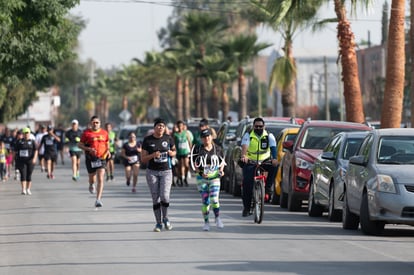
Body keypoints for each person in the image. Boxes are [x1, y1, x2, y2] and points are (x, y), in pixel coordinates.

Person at [141, 118, 176, 232]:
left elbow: (175, 151)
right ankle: (158, 223)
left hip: (166, 171)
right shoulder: (147, 140)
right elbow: (143, 159)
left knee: (165, 196)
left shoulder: (168, 138)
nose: (161, 127)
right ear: (154, 127)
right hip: (152, 172)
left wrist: (172, 153)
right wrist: (152, 155)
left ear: (165, 128)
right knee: (155, 198)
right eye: (158, 125)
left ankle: (165, 217)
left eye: (162, 126)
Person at [239, 117, 277, 217]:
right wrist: (244, 156)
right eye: (256, 126)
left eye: (261, 126)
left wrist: (274, 158)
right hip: (251, 161)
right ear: (253, 126)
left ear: (264, 126)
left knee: (274, 166)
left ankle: (268, 188)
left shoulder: (269, 135)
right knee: (247, 184)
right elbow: (245, 146)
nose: (259, 128)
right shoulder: (248, 135)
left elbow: (273, 147)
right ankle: (247, 208)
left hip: (265, 161)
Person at [191, 128, 225, 231]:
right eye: (204, 137)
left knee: (214, 199)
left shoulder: (217, 149)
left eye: (208, 136)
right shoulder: (197, 149)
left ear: (211, 137)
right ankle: (206, 222)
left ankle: (217, 217)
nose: (207, 138)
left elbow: (222, 161)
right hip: (202, 178)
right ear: (201, 139)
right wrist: (201, 173)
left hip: (214, 177)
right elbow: (194, 165)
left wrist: (221, 170)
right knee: (205, 201)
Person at [78, 116, 110, 208]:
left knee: (100, 177)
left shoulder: (104, 133)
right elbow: (79, 144)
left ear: (100, 123)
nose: (95, 124)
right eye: (93, 122)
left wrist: (108, 151)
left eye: (97, 122)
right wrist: (88, 149)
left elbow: (107, 143)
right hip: (91, 158)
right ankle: (91, 184)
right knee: (92, 178)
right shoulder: (86, 133)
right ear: (91, 123)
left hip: (102, 158)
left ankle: (98, 199)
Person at [14, 127, 38, 195]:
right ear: (23, 134)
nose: (26, 134)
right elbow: (15, 151)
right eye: (25, 133)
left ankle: (28, 189)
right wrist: (13, 159)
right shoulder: (19, 141)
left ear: (29, 133)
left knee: (29, 175)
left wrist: (35, 158)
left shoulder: (32, 141)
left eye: (27, 133)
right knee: (23, 174)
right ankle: (23, 189)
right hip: (21, 161)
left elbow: (36, 150)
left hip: (30, 160)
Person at [173, 120, 192, 186]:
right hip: (179, 152)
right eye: (179, 126)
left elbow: (189, 142)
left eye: (181, 126)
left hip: (186, 151)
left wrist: (190, 150)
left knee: (186, 165)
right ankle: (181, 178)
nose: (180, 127)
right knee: (180, 166)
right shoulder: (175, 134)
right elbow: (173, 144)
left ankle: (185, 178)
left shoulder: (186, 133)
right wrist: (174, 151)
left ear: (183, 126)